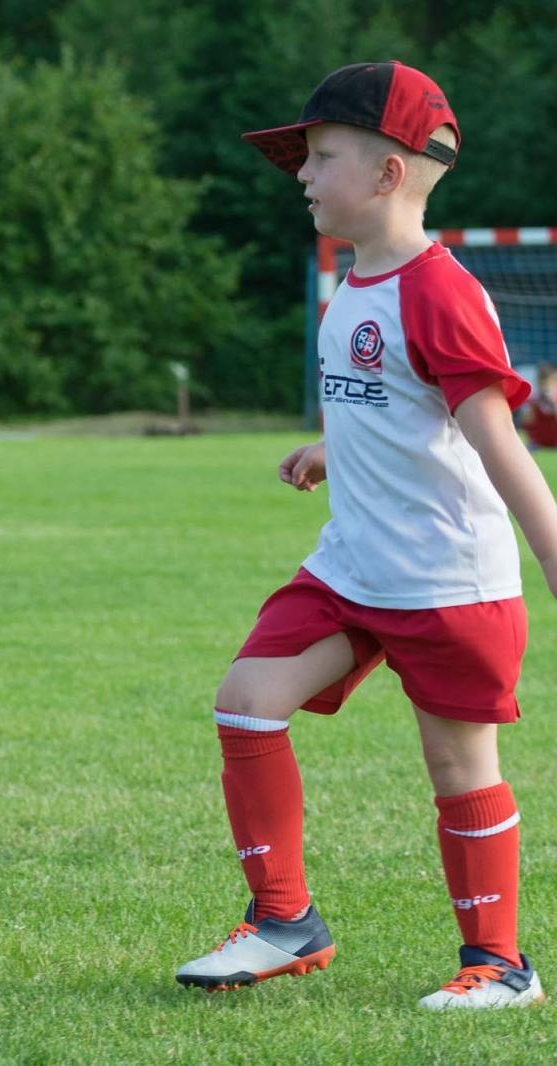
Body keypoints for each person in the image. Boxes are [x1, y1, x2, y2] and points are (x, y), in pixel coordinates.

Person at [175, 62, 557, 1009]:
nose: (301, 174)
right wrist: (331, 447)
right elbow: (401, 407)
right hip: (352, 568)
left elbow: (496, 444)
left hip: (445, 580)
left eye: (321, 156)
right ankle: (283, 923)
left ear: (389, 174)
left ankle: (500, 967)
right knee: (246, 700)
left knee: (457, 765)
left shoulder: (441, 292)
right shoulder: (355, 284)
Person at [517, 364, 557, 451]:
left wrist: (553, 405)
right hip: (536, 442)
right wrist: (533, 407)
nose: (546, 387)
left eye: (550, 383)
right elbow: (526, 422)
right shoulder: (533, 400)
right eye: (543, 383)